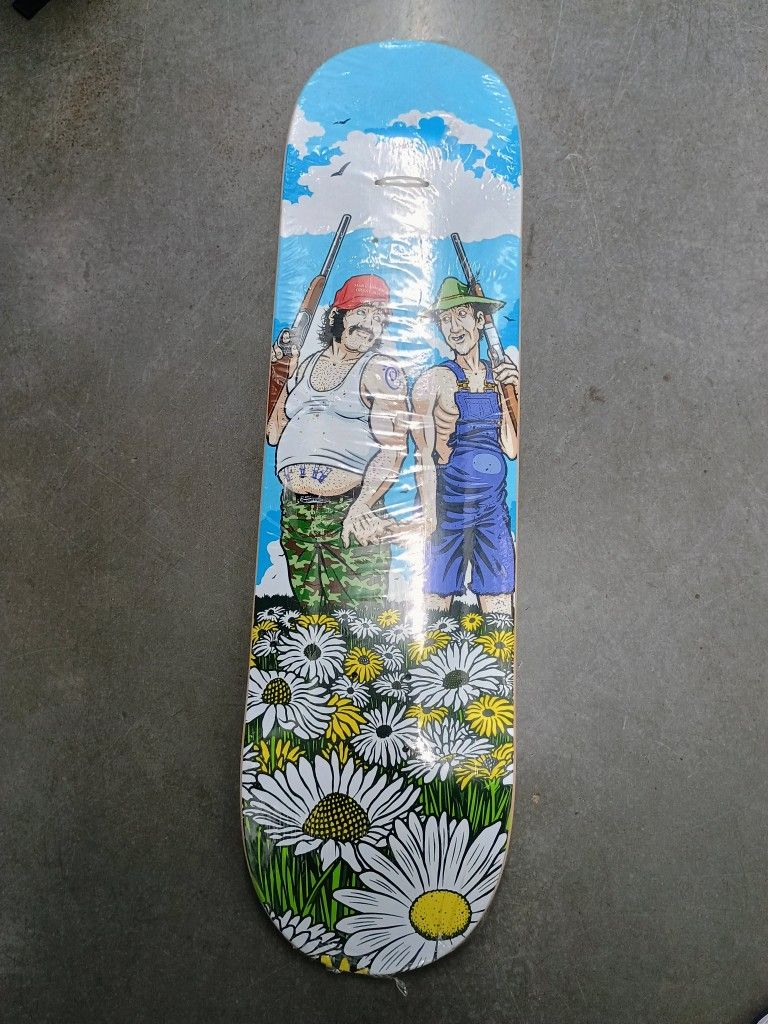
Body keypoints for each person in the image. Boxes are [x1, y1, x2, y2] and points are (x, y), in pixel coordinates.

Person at [267, 274, 408, 608]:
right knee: (308, 620)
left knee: (358, 619)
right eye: (362, 312)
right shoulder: (304, 365)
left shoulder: (379, 370)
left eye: (379, 317)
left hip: (348, 511)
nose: (370, 324)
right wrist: (276, 372)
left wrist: (362, 506)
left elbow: (393, 448)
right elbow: (273, 432)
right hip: (297, 515)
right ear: (336, 315)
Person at [412, 276, 519, 614]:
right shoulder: (433, 380)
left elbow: (512, 449)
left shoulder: (498, 376)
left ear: (480, 320)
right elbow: (423, 454)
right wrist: (428, 513)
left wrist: (511, 392)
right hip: (448, 506)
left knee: (499, 600)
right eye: (445, 319)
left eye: (461, 315)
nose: (454, 327)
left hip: (493, 506)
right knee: (435, 602)